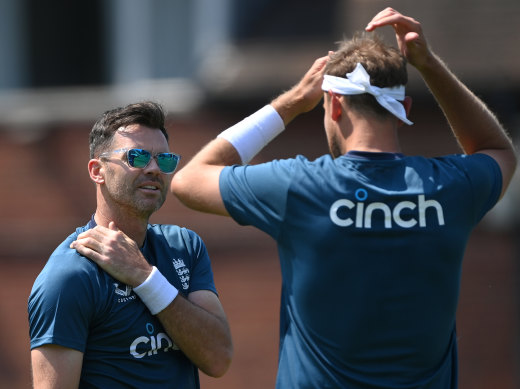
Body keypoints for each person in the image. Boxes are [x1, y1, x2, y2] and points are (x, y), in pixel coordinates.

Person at [170, 8, 517, 389]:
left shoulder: (299, 187)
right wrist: (429, 66)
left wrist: (289, 104)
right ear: (404, 110)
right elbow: (497, 149)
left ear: (334, 105)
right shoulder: (449, 187)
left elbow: (189, 180)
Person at [28, 101, 233, 388]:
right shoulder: (69, 276)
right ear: (97, 171)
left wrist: (144, 277)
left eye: (164, 160)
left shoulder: (185, 247)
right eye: (136, 157)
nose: (153, 169)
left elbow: (218, 358)